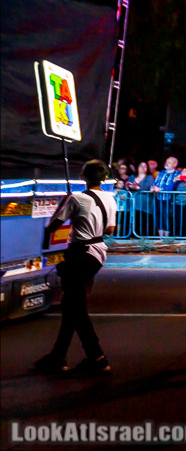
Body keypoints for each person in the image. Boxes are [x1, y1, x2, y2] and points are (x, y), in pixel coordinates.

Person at [33, 160, 118, 375]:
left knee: (76, 308)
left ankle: (96, 357)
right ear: (104, 178)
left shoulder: (76, 198)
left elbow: (52, 226)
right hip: (97, 253)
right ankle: (58, 356)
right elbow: (110, 229)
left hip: (79, 253)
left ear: (82, 177)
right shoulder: (110, 198)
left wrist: (65, 206)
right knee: (71, 305)